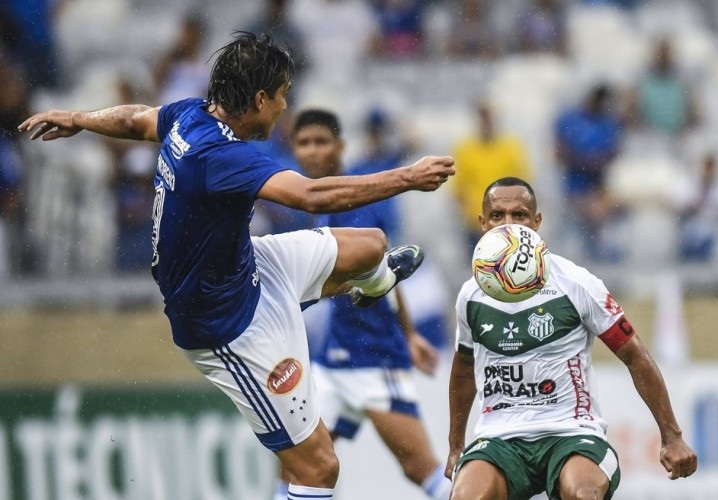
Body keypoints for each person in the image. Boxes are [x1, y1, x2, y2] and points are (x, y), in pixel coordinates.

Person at [19, 32, 455, 500]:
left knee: (369, 246)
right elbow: (311, 194)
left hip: (248, 265)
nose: (286, 107)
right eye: (282, 95)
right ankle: (348, 289)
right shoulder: (221, 157)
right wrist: (408, 176)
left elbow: (137, 119)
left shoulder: (190, 116)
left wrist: (78, 118)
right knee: (319, 467)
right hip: (228, 325)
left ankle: (367, 287)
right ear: (259, 98)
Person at [445, 176, 698, 499]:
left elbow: (634, 356)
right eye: (497, 216)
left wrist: (672, 435)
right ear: (482, 223)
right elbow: (464, 368)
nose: (508, 225)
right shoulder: (471, 295)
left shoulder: (577, 283)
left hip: (571, 434)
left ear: (537, 222)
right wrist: (456, 445)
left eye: (519, 215)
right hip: (499, 439)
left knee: (580, 494)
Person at [271, 108, 452, 500]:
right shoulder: (317, 201)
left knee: (421, 470)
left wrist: (406, 335)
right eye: (304, 143)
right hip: (334, 357)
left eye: (321, 142)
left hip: (375, 357)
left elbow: (385, 273)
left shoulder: (356, 199)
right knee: (295, 461)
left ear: (340, 147)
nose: (312, 151)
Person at [554, 82, 625, 262]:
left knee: (611, 211)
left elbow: (612, 153)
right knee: (590, 215)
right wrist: (585, 161)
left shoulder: (607, 123)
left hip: (598, 185)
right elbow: (560, 151)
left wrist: (592, 161)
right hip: (573, 185)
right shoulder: (570, 119)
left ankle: (603, 258)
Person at [450, 101, 531, 254]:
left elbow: (524, 185)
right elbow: (458, 189)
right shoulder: (465, 149)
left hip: (509, 225)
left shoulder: (511, 147)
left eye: (489, 117)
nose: (486, 122)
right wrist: (476, 219)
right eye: (483, 117)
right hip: (476, 224)